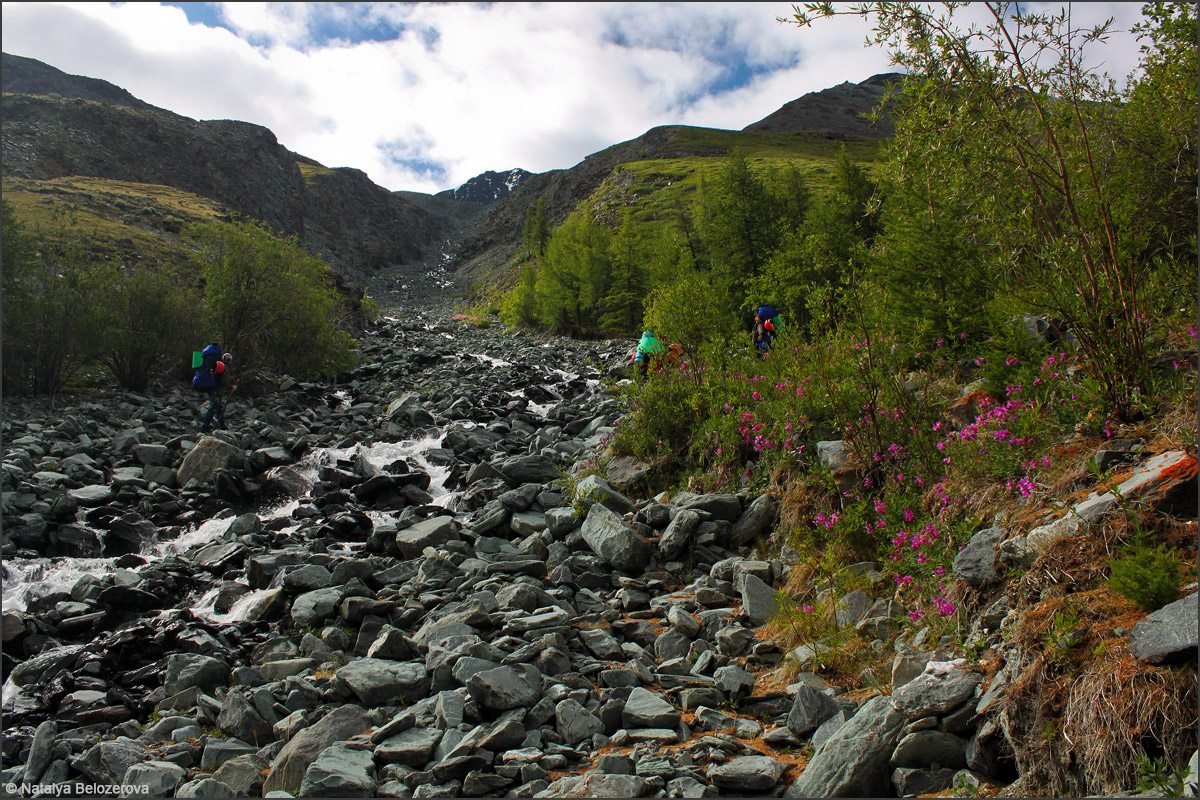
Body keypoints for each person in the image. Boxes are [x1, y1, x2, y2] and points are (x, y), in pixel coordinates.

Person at [200, 351, 232, 432]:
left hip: (212, 389)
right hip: (216, 390)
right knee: (213, 407)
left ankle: (222, 425)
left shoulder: (218, 366)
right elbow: (225, 380)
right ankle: (205, 426)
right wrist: (232, 387)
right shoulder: (225, 367)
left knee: (219, 408)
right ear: (229, 360)